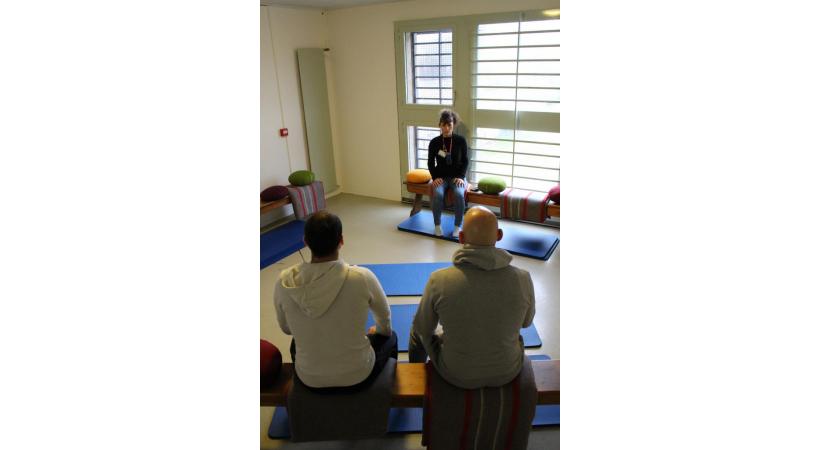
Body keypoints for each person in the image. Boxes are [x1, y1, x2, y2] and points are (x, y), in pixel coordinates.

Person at [408, 206, 535, 389]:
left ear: (461, 238)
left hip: (455, 374)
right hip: (508, 372)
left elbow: (424, 327)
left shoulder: (439, 279)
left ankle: (413, 380)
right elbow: (526, 322)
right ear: (499, 235)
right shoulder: (523, 277)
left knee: (416, 329)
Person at [274, 211, 397, 392]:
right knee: (390, 337)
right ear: (341, 240)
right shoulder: (362, 277)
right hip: (359, 376)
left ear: (306, 242)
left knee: (295, 343)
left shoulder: (284, 281)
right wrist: (376, 332)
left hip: (309, 379)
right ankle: (388, 391)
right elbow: (384, 318)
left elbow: (287, 329)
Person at [427, 109, 470, 237]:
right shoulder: (434, 142)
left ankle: (458, 226)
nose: (446, 128)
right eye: (443, 125)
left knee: (458, 194)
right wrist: (434, 177)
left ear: (453, 124)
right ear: (439, 125)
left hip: (457, 177)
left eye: (449, 125)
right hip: (441, 177)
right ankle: (437, 225)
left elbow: (465, 161)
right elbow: (430, 162)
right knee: (438, 194)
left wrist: (461, 177)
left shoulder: (460, 140)